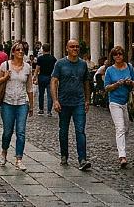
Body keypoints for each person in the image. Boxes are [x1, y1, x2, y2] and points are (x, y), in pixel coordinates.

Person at [51, 38, 92, 171]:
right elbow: (54, 81)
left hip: (79, 102)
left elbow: (86, 82)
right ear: (67, 48)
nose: (75, 49)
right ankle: (64, 155)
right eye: (72, 47)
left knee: (80, 130)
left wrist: (87, 100)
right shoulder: (60, 64)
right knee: (63, 130)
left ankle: (82, 159)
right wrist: (55, 100)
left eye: (77, 47)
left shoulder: (83, 65)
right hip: (64, 102)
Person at [0, 41, 34, 170]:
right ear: (13, 52)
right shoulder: (5, 65)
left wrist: (31, 105)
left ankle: (19, 159)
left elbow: (29, 87)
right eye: (18, 50)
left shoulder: (28, 67)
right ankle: (4, 151)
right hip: (7, 103)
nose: (21, 52)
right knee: (7, 131)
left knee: (21, 132)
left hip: (22, 102)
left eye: (22, 50)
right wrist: (5, 77)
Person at [104, 46, 134, 168]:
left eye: (120, 54)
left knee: (126, 128)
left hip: (126, 102)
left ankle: (122, 147)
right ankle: (122, 156)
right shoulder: (109, 70)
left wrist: (130, 83)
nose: (118, 56)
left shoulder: (129, 67)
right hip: (114, 102)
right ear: (112, 57)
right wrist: (116, 84)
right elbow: (106, 87)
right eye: (115, 54)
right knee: (120, 128)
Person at [34, 44, 56, 116]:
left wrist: (35, 77)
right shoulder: (53, 58)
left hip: (42, 77)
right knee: (50, 95)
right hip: (50, 77)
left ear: (43, 49)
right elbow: (55, 69)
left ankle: (41, 109)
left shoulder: (40, 58)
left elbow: (37, 68)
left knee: (41, 94)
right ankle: (49, 111)